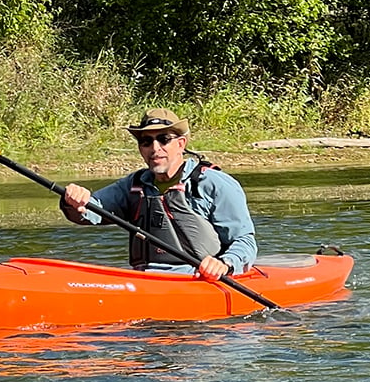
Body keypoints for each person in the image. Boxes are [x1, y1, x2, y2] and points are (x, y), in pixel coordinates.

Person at [61, 108, 257, 280]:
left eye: (164, 139)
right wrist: (75, 201)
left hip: (199, 280)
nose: (155, 149)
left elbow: (244, 241)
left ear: (181, 144)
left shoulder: (214, 184)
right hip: (146, 279)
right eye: (146, 142)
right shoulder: (133, 185)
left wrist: (225, 263)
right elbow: (91, 209)